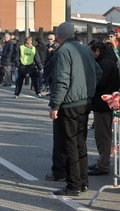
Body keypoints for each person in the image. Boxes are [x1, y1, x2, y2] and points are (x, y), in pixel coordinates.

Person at [49, 22, 102, 196]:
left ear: (59, 36)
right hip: (84, 101)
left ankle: (73, 185)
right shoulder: (84, 49)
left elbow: (62, 80)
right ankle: (83, 182)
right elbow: (98, 71)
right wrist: (88, 89)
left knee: (69, 144)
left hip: (69, 103)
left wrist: (55, 105)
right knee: (80, 143)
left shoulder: (63, 51)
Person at [87, 40, 120, 176]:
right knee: (103, 135)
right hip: (106, 102)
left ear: (97, 51)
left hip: (103, 103)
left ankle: (103, 164)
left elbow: (100, 82)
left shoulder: (104, 63)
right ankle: (102, 161)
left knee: (102, 136)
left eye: (91, 52)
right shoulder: (109, 60)